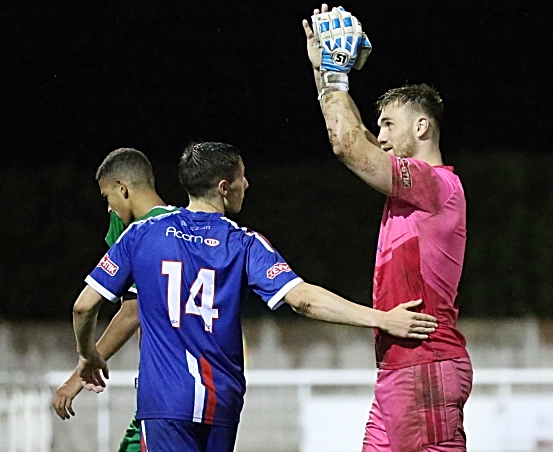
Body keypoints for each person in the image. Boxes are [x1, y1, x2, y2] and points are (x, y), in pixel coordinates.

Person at [72, 141, 439, 452]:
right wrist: (382, 318)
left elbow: (84, 306)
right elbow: (304, 299)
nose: (247, 183)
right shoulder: (244, 243)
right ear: (223, 187)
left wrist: (89, 355)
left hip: (164, 402)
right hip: (221, 402)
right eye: (242, 176)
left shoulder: (141, 235)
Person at [303, 5, 472, 451]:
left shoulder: (435, 185)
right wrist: (325, 77)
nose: (378, 135)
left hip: (425, 364)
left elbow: (347, 143)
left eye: (387, 125)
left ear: (422, 127)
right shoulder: (414, 192)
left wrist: (336, 77)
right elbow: (351, 135)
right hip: (403, 368)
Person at [52, 147, 177, 452]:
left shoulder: (140, 235)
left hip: (162, 390)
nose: (108, 208)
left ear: (122, 188)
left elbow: (120, 310)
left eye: (106, 197)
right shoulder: (191, 226)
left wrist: (83, 366)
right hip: (206, 389)